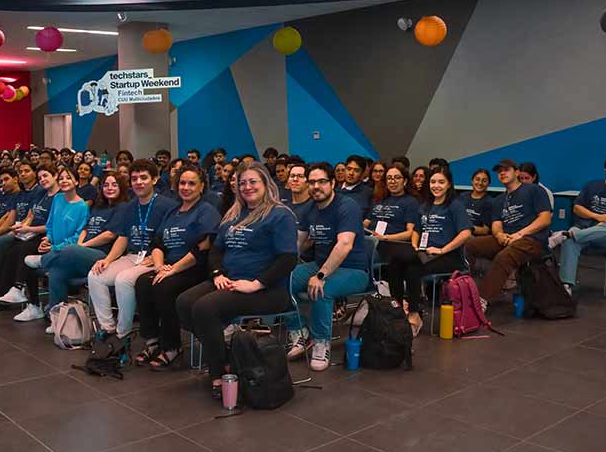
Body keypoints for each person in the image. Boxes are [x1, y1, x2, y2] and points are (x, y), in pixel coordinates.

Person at [177, 162, 296, 398]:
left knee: (205, 308)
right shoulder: (233, 215)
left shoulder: (280, 215)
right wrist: (217, 274)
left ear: (266, 184)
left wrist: (256, 284)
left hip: (267, 290)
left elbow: (288, 259)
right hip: (229, 281)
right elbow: (216, 251)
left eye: (253, 182)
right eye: (242, 183)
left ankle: (219, 374)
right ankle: (228, 357)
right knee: (183, 302)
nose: (247, 187)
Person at [134, 163, 221, 368]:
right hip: (168, 266)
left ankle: (171, 346)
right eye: (182, 183)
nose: (186, 187)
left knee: (164, 287)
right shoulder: (172, 211)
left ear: (201, 187)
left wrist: (173, 269)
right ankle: (152, 341)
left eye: (192, 183)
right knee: (142, 283)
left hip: (195, 269)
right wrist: (158, 266)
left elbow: (203, 247)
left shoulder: (206, 211)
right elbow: (157, 243)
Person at [287, 162, 369, 370]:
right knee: (282, 279)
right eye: (312, 182)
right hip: (320, 265)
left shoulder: (346, 206)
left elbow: (345, 244)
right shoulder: (309, 208)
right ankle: (299, 331)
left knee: (320, 289)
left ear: (333, 182)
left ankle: (321, 342)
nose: (316, 186)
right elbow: (298, 242)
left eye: (322, 181)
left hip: (355, 271)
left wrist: (321, 275)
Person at [88, 159, 177, 340]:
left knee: (123, 280)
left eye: (143, 178)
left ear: (155, 179)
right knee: (95, 276)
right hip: (132, 256)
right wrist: (108, 259)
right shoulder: (129, 206)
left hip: (156, 258)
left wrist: (157, 258)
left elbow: (171, 239)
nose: (138, 182)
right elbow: (123, 237)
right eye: (134, 178)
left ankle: (124, 332)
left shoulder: (168, 205)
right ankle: (107, 327)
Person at [381, 167, 471, 335]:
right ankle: (399, 309)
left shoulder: (455, 205)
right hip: (425, 253)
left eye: (441, 182)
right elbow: (416, 230)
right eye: (433, 182)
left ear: (449, 184)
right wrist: (415, 246)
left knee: (412, 268)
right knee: (394, 264)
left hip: (449, 256)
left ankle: (415, 315)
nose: (436, 185)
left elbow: (466, 233)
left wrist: (442, 249)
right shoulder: (425, 206)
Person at [40, 172, 130, 322]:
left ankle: (43, 260)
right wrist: (81, 244)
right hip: (84, 253)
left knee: (71, 249)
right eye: (106, 185)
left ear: (121, 188)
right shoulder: (99, 206)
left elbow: (110, 235)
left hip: (104, 256)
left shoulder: (123, 207)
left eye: (114, 185)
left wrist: (83, 246)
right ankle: (57, 318)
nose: (109, 188)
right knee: (57, 271)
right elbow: (86, 229)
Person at [465, 159, 552, 309]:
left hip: (532, 240)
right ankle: (463, 287)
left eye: (506, 170)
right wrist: (499, 235)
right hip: (507, 239)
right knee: (469, 244)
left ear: (517, 172)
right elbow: (496, 224)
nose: (502, 173)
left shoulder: (533, 190)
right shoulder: (499, 200)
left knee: (504, 256)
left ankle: (480, 301)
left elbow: (545, 219)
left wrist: (519, 234)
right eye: (499, 171)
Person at [9, 165, 89, 322]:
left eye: (68, 178)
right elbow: (50, 225)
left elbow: (77, 237)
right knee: (27, 262)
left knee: (38, 263)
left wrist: (55, 247)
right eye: (62, 178)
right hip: (52, 246)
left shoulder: (82, 207)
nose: (64, 181)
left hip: (66, 252)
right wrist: (48, 239)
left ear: (76, 182)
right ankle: (34, 306)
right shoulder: (58, 199)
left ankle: (56, 314)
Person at [0, 165, 58, 313]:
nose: (42, 180)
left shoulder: (59, 198)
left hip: (45, 237)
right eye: (40, 177)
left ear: (55, 175)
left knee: (21, 251)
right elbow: (31, 215)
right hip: (31, 233)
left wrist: (28, 229)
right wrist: (21, 227)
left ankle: (15, 290)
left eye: (45, 176)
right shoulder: (42, 194)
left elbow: (52, 226)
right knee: (8, 253)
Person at [557, 153, 606, 292]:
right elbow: (576, 208)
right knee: (570, 242)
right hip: (585, 230)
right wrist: (597, 217)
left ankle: (570, 234)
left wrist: (595, 221)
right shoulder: (592, 185)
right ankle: (566, 287)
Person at [460, 169, 493, 236]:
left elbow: (485, 230)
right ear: (472, 181)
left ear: (488, 183)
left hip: (473, 237)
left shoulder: (490, 202)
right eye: (477, 179)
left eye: (484, 181)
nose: (480, 183)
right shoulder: (462, 196)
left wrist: (467, 228)